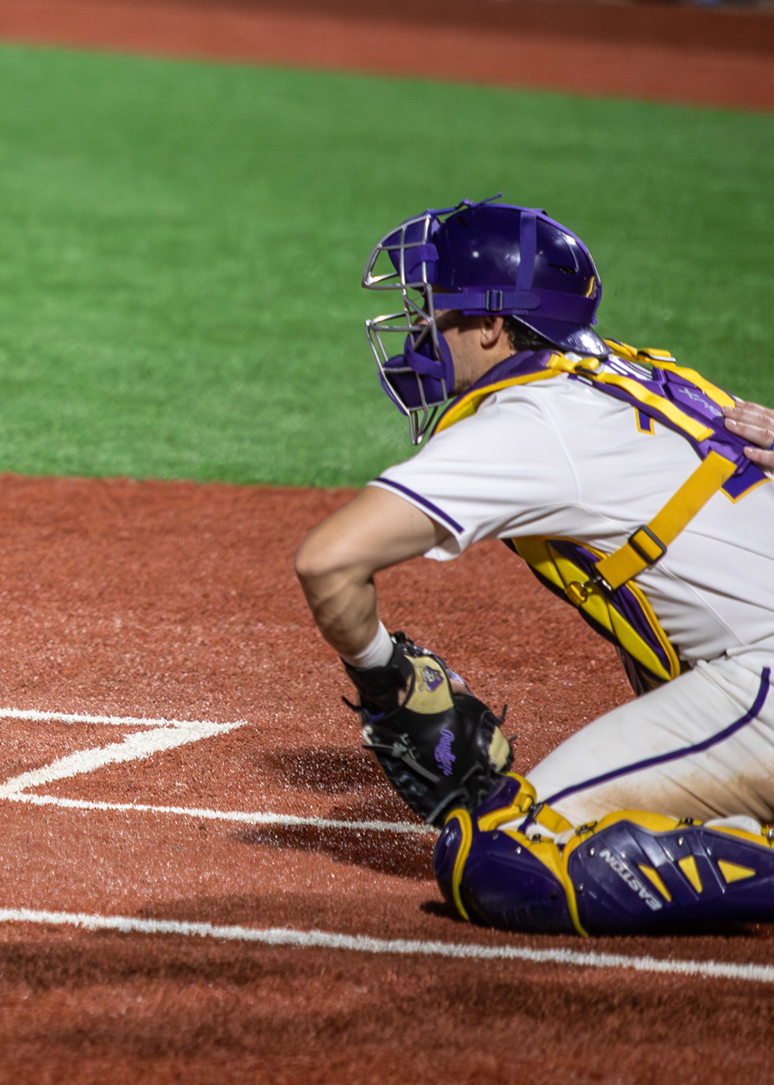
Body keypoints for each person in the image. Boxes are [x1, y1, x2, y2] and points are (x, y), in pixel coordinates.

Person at [294, 198, 774, 936]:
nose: (422, 328)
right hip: (750, 672)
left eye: (437, 307)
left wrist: (384, 677)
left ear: (491, 325)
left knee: (505, 855)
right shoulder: (639, 375)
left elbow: (328, 559)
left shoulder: (532, 417)